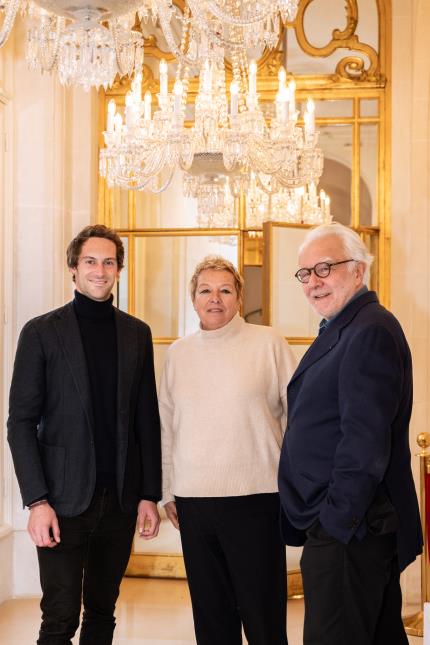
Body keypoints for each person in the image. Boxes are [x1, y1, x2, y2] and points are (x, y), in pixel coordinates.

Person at [7, 224, 161, 645]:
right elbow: (19, 422)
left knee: (102, 613)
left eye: (109, 262)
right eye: (90, 261)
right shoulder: (41, 332)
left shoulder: (137, 333)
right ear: (73, 269)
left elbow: (146, 420)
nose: (100, 270)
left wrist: (149, 494)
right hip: (61, 502)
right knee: (58, 618)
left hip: (120, 502)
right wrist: (37, 501)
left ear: (118, 270)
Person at [278, 222, 422, 645]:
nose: (313, 282)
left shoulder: (369, 330)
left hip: (350, 529)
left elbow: (364, 441)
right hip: (349, 527)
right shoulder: (346, 326)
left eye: (324, 268)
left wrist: (336, 522)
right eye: (305, 273)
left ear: (359, 271)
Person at [160, 255, 296, 645]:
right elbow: (167, 427)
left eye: (225, 289)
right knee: (211, 616)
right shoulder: (178, 353)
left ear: (239, 296)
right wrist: (169, 490)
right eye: (205, 290)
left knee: (263, 615)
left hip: (257, 498)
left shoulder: (269, 343)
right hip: (194, 501)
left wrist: (294, 484)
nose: (215, 298)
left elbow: (298, 418)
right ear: (193, 298)